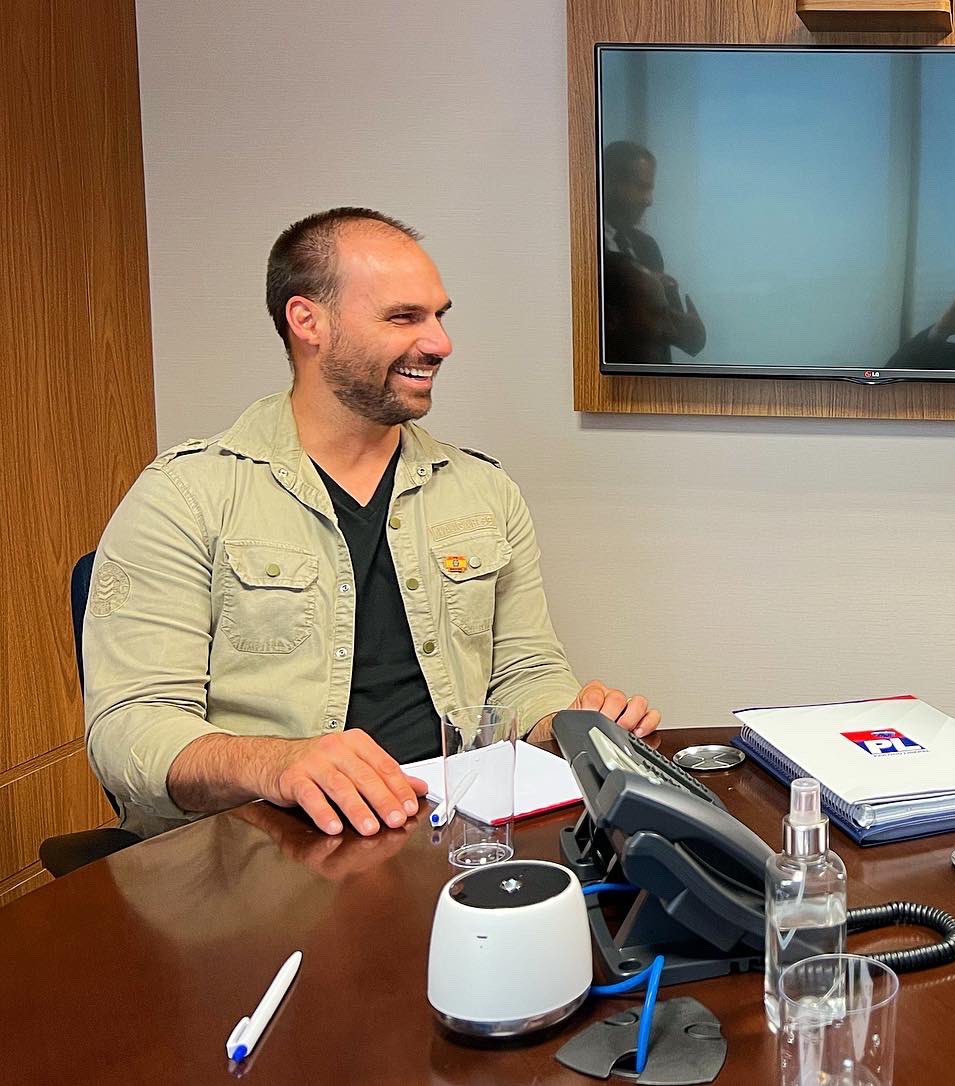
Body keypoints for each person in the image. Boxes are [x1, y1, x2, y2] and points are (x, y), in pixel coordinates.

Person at [85, 208, 660, 840]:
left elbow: (524, 671)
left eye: (439, 315)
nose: (440, 342)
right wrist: (278, 763)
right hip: (264, 851)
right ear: (308, 322)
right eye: (404, 317)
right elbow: (128, 730)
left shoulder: (484, 491)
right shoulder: (185, 497)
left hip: (448, 834)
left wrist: (568, 717)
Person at [601, 140, 705, 359]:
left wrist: (687, 330)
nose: (649, 200)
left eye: (651, 188)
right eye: (641, 187)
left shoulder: (647, 248)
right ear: (610, 182)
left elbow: (670, 330)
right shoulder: (587, 253)